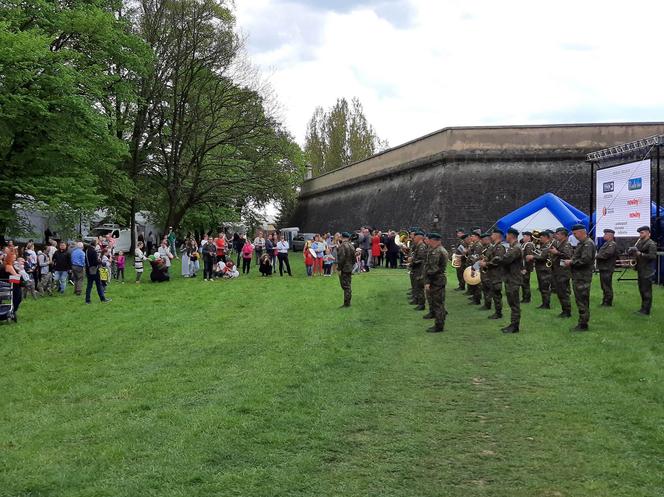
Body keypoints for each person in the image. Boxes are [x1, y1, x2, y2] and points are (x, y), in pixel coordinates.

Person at [566, 224, 596, 331]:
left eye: (575, 233)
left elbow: (585, 260)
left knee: (582, 300)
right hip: (578, 276)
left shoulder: (587, 244)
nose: (574, 236)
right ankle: (582, 322)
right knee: (580, 300)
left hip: (582, 276)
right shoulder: (582, 243)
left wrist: (571, 262)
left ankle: (583, 324)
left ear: (581, 232)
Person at [493, 228, 522, 333]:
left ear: (511, 235)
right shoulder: (512, 247)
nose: (506, 237)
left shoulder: (516, 248)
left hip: (513, 279)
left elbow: (505, 259)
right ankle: (513, 324)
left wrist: (496, 258)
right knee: (512, 302)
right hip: (510, 278)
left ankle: (515, 326)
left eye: (507, 235)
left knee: (514, 303)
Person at [482, 228, 507, 319]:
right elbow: (489, 256)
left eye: (492, 234)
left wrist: (486, 263)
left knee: (497, 294)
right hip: (492, 274)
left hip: (497, 274)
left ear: (497, 235)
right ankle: (497, 311)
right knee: (494, 293)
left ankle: (498, 313)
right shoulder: (494, 246)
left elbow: (498, 260)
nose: (491, 236)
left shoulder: (500, 247)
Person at [632, 225, 657, 315]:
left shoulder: (651, 243)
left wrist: (640, 254)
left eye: (642, 233)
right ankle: (643, 308)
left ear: (647, 233)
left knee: (646, 290)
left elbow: (653, 256)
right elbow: (637, 252)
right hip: (641, 269)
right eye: (640, 233)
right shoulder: (640, 242)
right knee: (642, 289)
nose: (640, 234)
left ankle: (646, 310)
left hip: (647, 270)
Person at [549, 227, 573, 318]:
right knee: (560, 292)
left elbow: (568, 256)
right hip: (558, 271)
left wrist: (556, 252)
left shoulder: (566, 244)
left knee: (563, 292)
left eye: (558, 234)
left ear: (563, 235)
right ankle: (564, 310)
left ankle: (567, 311)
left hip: (563, 272)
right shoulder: (559, 244)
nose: (556, 236)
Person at [530, 230, 554, 309]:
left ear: (545, 237)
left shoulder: (548, 246)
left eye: (541, 237)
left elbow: (542, 257)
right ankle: (544, 303)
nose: (540, 239)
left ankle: (546, 304)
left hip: (545, 270)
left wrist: (532, 257)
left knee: (545, 287)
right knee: (542, 287)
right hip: (541, 269)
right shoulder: (543, 245)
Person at [595, 228, 618, 307]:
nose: (603, 236)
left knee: (607, 286)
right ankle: (605, 301)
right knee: (604, 285)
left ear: (610, 236)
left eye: (605, 234)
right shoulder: (606, 243)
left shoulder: (612, 244)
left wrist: (596, 256)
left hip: (607, 267)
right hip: (603, 267)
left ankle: (608, 302)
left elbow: (607, 254)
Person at [409, 230, 428, 310]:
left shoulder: (421, 246)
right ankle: (417, 300)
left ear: (418, 237)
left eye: (415, 237)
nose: (413, 238)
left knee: (419, 286)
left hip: (420, 269)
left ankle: (421, 304)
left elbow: (421, 259)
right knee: (416, 285)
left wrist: (412, 261)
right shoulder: (418, 245)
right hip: (417, 268)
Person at [336, 232, 355, 307]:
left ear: (342, 237)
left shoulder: (342, 246)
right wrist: (351, 265)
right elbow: (354, 258)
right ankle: (347, 302)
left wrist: (339, 268)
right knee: (348, 285)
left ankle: (347, 304)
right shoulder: (351, 245)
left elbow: (341, 259)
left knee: (345, 286)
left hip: (344, 268)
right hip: (349, 267)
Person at [520, 231, 535, 303]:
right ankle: (524, 297)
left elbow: (528, 258)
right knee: (523, 283)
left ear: (529, 237)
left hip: (526, 267)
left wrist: (525, 268)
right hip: (522, 266)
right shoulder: (524, 244)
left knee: (525, 283)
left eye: (524, 236)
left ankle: (527, 298)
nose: (523, 237)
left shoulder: (529, 245)